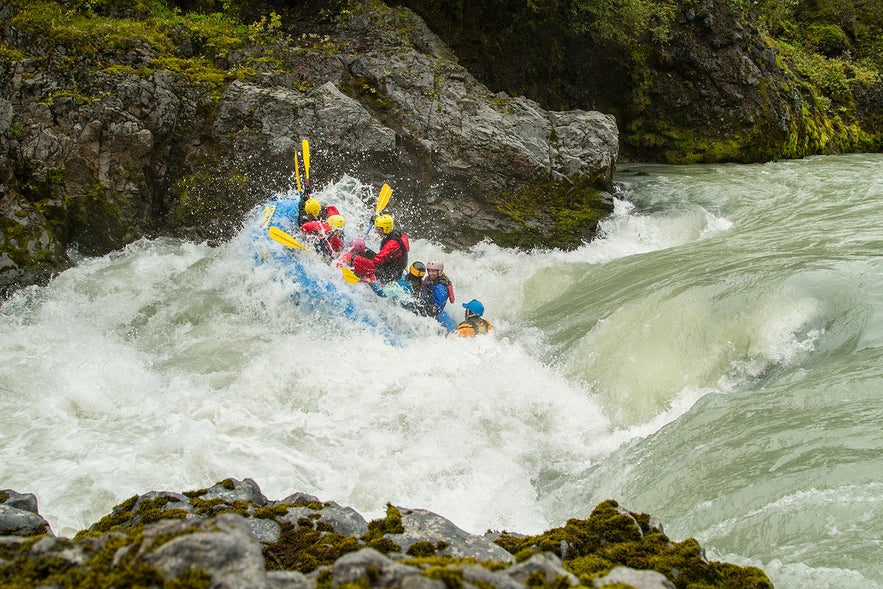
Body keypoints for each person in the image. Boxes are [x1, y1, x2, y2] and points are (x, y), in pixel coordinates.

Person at [370, 214, 409, 284]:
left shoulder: (392, 244)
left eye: (378, 229)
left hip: (391, 274)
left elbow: (377, 260)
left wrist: (363, 264)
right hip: (392, 265)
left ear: (386, 229)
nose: (376, 231)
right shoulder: (399, 234)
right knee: (366, 252)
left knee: (366, 263)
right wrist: (375, 221)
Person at [420, 260, 457, 332]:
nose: (431, 273)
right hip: (429, 306)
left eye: (433, 271)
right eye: (429, 271)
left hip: (435, 313)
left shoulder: (441, 287)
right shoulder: (429, 279)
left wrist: (424, 308)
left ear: (439, 271)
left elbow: (437, 308)